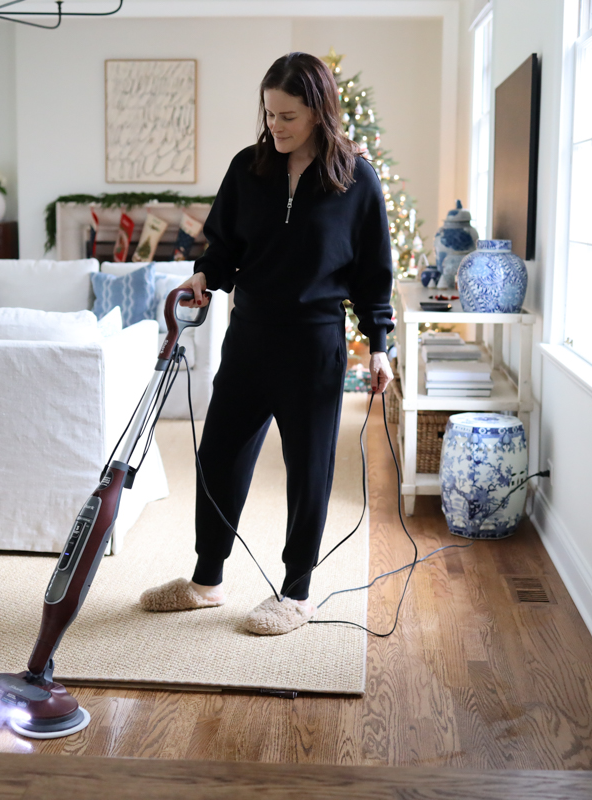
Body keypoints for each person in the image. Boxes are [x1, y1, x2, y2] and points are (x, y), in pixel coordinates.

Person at [139, 52, 395, 636]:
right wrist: (205, 276)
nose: (276, 126)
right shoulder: (247, 168)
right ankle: (207, 582)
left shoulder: (355, 179)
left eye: (289, 116)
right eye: (270, 113)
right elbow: (223, 245)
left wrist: (379, 343)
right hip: (249, 337)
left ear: (319, 112)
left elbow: (373, 271)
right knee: (221, 454)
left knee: (308, 470)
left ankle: (296, 592)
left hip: (314, 347)